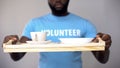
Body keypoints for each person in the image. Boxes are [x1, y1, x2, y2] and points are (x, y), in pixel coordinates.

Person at [3, 0, 112, 68]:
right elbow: (17, 56)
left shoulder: (85, 24)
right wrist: (12, 45)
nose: (58, 0)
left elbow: (102, 59)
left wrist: (104, 46)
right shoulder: (34, 23)